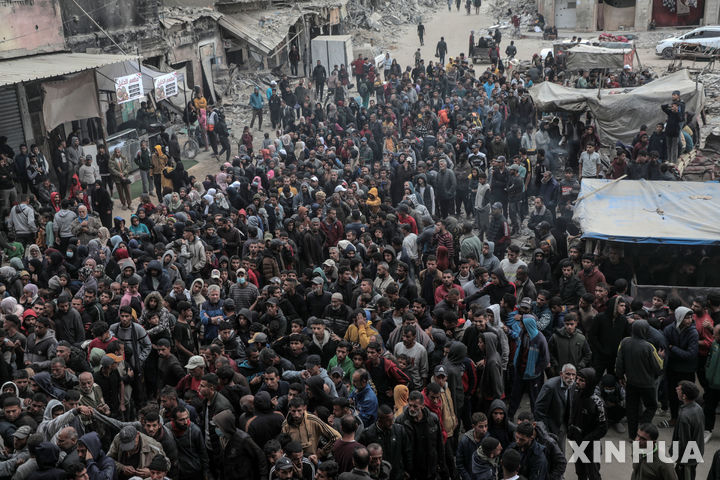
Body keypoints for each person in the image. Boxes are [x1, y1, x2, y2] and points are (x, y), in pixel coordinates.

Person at [615, 320, 664, 440]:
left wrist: (620, 376)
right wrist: (661, 357)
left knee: (631, 409)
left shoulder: (624, 342)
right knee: (651, 406)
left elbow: (619, 362)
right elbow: (658, 367)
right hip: (647, 384)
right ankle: (643, 427)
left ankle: (632, 436)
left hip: (631, 383)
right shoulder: (648, 346)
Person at [534, 363, 575, 452]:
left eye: (573, 374)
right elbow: (539, 410)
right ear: (561, 374)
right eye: (568, 374)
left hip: (562, 426)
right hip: (550, 427)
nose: (571, 377)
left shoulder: (572, 385)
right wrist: (545, 431)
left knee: (560, 454)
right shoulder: (550, 386)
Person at [672, 381, 703, 480]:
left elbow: (683, 442)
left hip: (686, 459)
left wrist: (677, 457)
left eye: (679, 389)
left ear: (684, 396)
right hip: (695, 453)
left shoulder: (685, 416)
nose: (676, 389)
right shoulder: (698, 408)